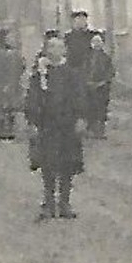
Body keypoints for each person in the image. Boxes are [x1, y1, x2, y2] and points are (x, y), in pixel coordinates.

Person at [25, 30, 86, 219]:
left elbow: (80, 96)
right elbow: (32, 98)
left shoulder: (71, 73)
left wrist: (80, 118)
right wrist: (33, 121)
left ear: (65, 50)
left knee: (67, 164)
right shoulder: (40, 74)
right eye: (51, 46)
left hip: (67, 124)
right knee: (48, 163)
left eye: (59, 46)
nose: (56, 50)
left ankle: (65, 203)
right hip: (47, 125)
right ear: (45, 49)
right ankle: (49, 202)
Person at [0, 28, 25, 142]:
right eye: (9, 38)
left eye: (12, 38)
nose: (11, 40)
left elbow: (22, 67)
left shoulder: (17, 54)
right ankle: (1, 131)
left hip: (14, 83)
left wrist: (15, 79)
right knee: (1, 107)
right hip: (0, 84)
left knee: (12, 108)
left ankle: (10, 131)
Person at [83, 32, 115, 138]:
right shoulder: (87, 57)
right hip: (88, 87)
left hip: (102, 88)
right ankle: (90, 129)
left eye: (99, 41)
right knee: (89, 108)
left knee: (101, 109)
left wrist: (102, 82)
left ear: (102, 43)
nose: (96, 44)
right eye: (94, 41)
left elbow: (110, 72)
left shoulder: (106, 58)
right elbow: (83, 70)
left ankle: (100, 131)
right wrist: (86, 81)